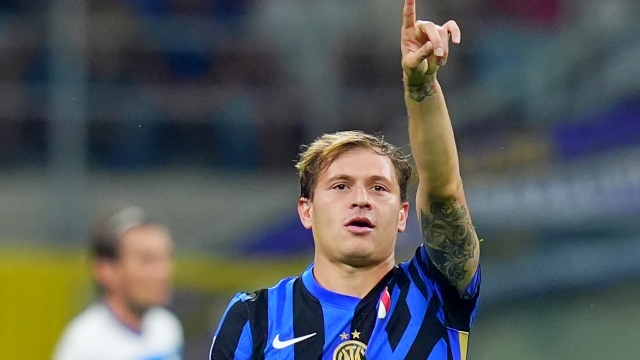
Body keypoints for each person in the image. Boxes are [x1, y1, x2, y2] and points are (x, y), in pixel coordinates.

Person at [209, 0, 480, 358]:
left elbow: (444, 195)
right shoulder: (254, 317)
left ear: (402, 215)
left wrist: (422, 88)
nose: (361, 199)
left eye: (379, 188)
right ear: (306, 210)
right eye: (340, 186)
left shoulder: (434, 292)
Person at [53, 206, 183, 360]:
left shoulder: (167, 327)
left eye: (166, 257)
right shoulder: (84, 344)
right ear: (106, 270)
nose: (163, 272)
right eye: (147, 260)